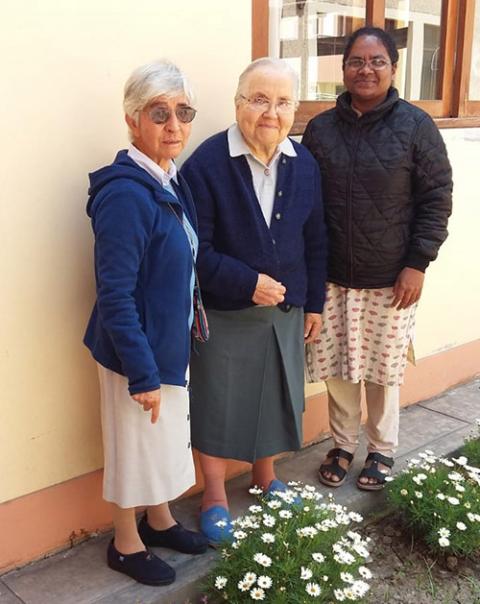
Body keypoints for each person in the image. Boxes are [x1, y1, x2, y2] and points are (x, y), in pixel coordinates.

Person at [181, 58, 327, 544]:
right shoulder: (204, 164)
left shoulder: (303, 163)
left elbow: (315, 237)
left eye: (283, 101)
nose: (271, 111)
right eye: (259, 99)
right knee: (217, 404)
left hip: (284, 312)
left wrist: (312, 304)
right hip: (226, 310)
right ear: (238, 103)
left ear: (295, 108)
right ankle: (216, 494)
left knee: (275, 396)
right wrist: (248, 284)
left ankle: (266, 477)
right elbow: (194, 250)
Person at [302, 27, 453, 491]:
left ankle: (382, 450)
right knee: (339, 367)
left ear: (393, 68)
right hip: (332, 276)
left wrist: (417, 263)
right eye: (356, 62)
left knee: (382, 372)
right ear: (343, 68)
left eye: (376, 61)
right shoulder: (321, 129)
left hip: (391, 278)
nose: (365, 70)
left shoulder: (415, 125)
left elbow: (437, 197)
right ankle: (343, 444)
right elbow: (307, 205)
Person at [83, 60, 208, 586]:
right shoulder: (125, 194)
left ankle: (158, 521)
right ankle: (125, 542)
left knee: (159, 444)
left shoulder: (167, 178)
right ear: (134, 119)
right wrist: (142, 373)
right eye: (160, 113)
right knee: (134, 448)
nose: (173, 125)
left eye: (183, 112)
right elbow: (114, 295)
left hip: (165, 343)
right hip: (134, 352)